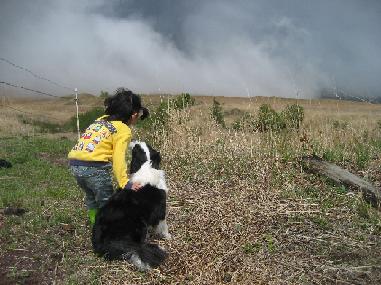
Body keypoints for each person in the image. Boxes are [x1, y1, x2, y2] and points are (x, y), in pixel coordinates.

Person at [68, 88, 149, 225]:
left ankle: (96, 225)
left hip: (75, 164)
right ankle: (107, 231)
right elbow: (118, 158)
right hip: (95, 168)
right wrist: (124, 183)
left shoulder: (100, 120)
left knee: (91, 197)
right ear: (134, 114)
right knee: (106, 202)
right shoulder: (123, 130)